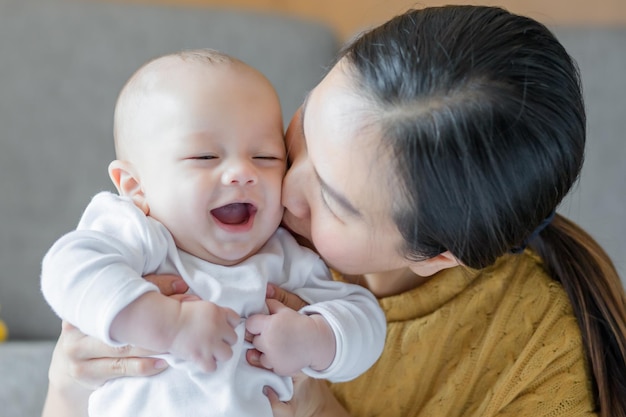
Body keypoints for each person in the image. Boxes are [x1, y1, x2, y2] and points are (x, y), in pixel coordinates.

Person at [41, 5, 626, 417]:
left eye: (335, 201)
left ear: (435, 256)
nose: (283, 188)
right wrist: (70, 387)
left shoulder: (536, 354)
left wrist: (319, 407)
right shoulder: (185, 225)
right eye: (302, 131)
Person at [39, 49, 385, 417]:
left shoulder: (285, 257)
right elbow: (68, 268)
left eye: (266, 157)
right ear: (136, 187)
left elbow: (365, 319)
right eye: (205, 157)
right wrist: (166, 323)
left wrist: (316, 339)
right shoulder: (140, 235)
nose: (242, 172)